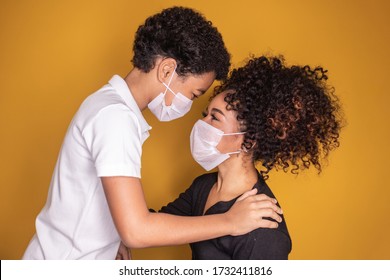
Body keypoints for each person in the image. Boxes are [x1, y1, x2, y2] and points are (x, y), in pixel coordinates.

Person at [22, 7, 283, 260]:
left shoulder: (109, 109)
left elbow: (125, 222)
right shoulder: (116, 118)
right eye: (194, 95)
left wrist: (114, 239)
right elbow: (137, 230)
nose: (191, 109)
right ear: (167, 70)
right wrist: (229, 221)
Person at [158, 55, 343, 259]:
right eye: (205, 114)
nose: (202, 123)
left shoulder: (264, 227)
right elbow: (152, 226)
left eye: (215, 118)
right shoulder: (202, 187)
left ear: (249, 140)